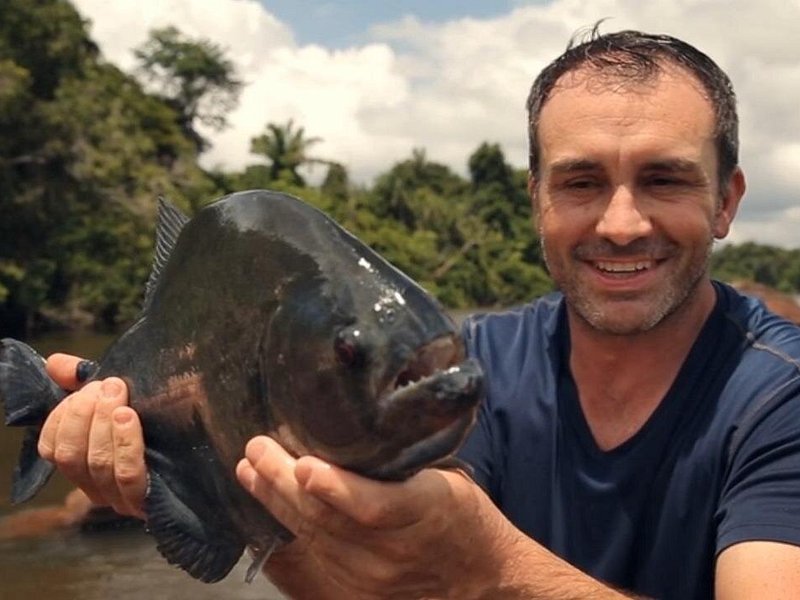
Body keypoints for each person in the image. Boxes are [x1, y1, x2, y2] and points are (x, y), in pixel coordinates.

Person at [37, 26, 800, 599]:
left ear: (727, 201)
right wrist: (215, 493)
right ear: (535, 199)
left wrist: (490, 566)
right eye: (580, 183)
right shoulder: (471, 363)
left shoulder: (778, 400)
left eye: (664, 179)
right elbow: (380, 585)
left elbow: (470, 572)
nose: (622, 222)